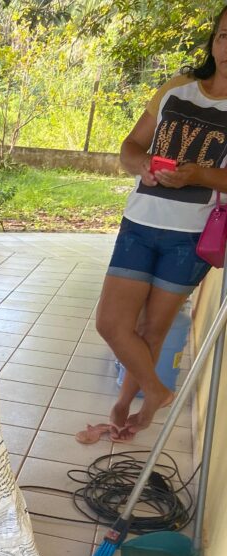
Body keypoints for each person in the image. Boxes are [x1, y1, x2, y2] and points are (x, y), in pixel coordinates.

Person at [96, 5, 227, 440]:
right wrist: (143, 165)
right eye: (225, 35)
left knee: (152, 330)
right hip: (140, 223)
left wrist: (197, 174)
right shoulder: (177, 88)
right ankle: (157, 392)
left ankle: (127, 403)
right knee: (113, 324)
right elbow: (129, 146)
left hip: (190, 236)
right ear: (214, 39)